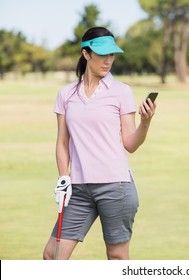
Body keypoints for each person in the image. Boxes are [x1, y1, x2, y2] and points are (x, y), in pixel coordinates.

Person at [43, 27, 156, 260]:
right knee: (51, 256)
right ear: (86, 54)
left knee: (116, 258)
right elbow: (62, 141)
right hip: (78, 189)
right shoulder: (66, 94)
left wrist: (145, 122)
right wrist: (63, 177)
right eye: (102, 54)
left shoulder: (121, 92)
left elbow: (131, 143)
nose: (108, 60)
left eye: (112, 55)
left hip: (116, 187)